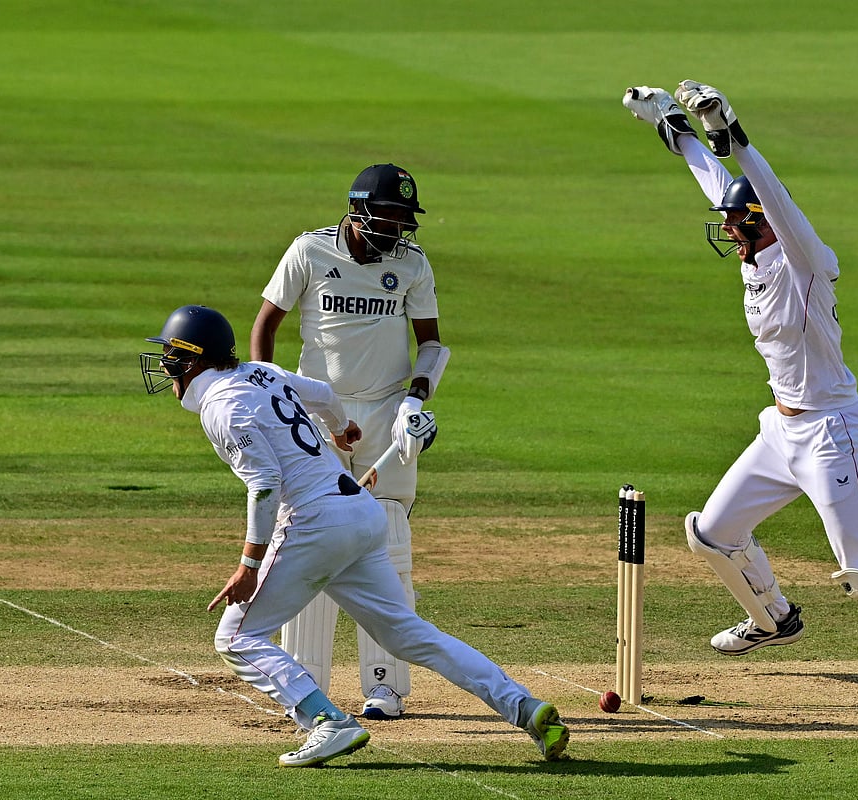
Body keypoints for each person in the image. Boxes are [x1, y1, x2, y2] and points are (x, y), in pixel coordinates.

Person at [621, 82, 858, 689]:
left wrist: (735, 135)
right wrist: (673, 125)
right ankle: (772, 619)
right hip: (782, 429)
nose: (735, 237)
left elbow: (776, 202)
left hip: (832, 432)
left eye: (746, 227)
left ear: (770, 224)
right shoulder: (754, 255)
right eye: (733, 228)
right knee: (712, 533)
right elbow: (720, 187)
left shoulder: (808, 265)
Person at [139, 305, 569, 766]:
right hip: (359, 516)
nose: (166, 366)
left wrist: (248, 565)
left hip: (314, 523)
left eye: (172, 355)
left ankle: (327, 722)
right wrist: (341, 430)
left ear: (194, 359)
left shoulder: (221, 408)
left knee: (237, 638)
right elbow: (323, 392)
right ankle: (524, 707)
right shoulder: (260, 373)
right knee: (409, 634)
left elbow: (264, 485)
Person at [250, 163, 450, 720]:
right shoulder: (310, 251)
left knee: (389, 541)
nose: (397, 228)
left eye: (404, 219)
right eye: (388, 215)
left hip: (388, 413)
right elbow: (265, 325)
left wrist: (415, 399)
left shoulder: (411, 264)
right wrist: (268, 394)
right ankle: (304, 684)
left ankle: (385, 686)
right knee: (311, 536)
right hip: (316, 414)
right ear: (359, 209)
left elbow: (431, 344)